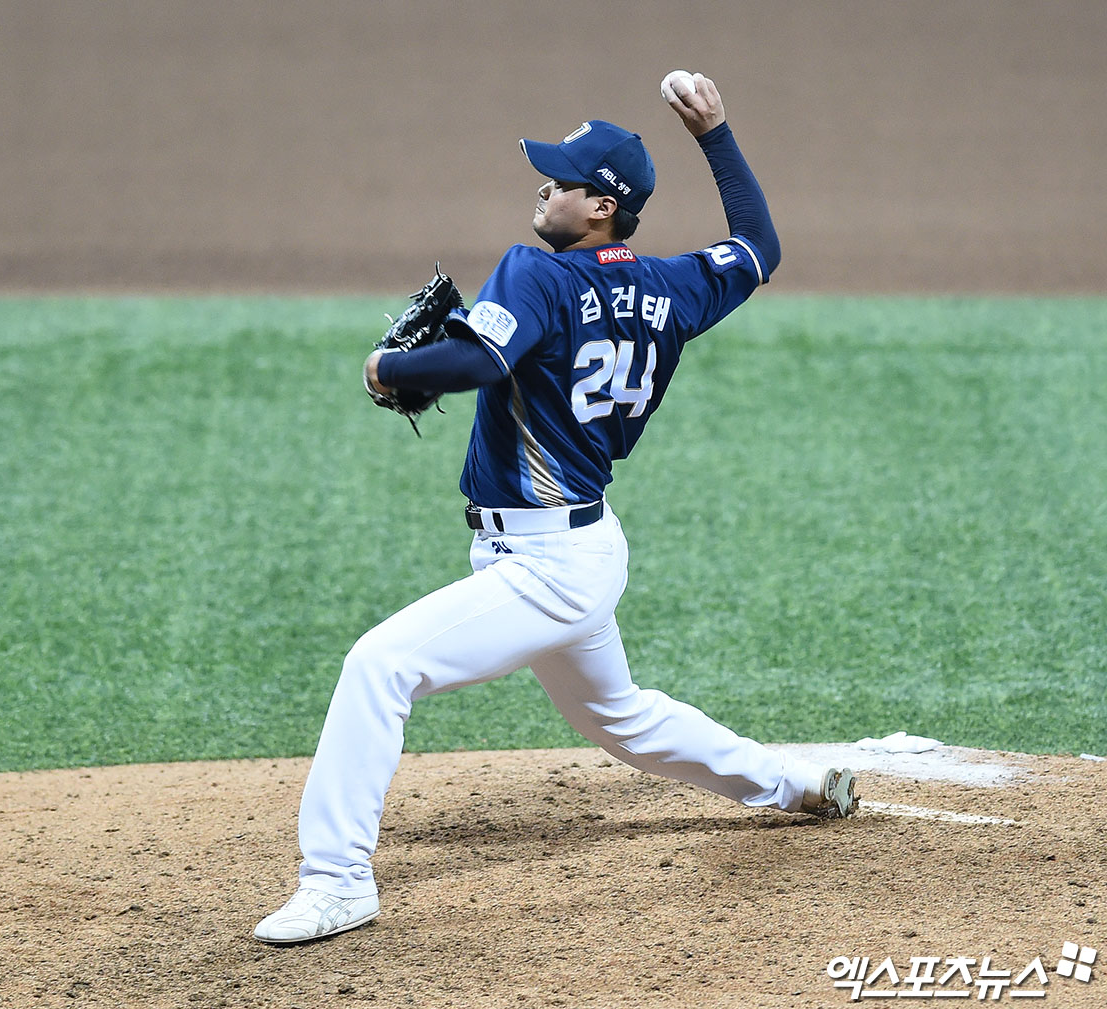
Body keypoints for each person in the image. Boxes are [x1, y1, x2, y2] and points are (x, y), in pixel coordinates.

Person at [254, 72, 857, 945]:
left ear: (603, 206)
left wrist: (388, 369)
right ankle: (793, 785)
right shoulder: (674, 287)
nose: (543, 187)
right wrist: (716, 135)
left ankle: (337, 880)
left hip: (547, 565)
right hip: (581, 546)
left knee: (380, 665)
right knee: (620, 716)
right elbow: (758, 246)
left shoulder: (535, 273)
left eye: (561, 180)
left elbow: (477, 364)